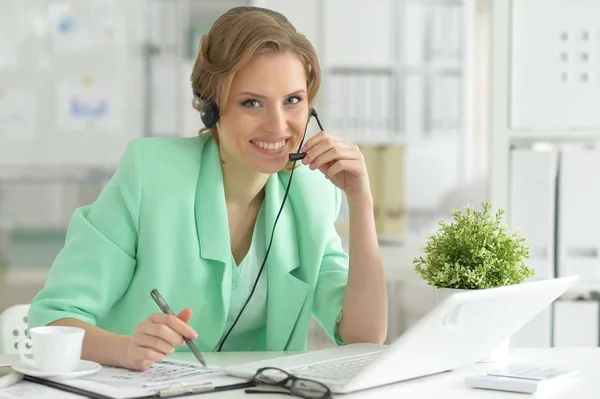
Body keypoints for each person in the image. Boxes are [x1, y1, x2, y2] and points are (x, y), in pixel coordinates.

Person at [28, 6, 387, 372]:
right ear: (211, 110)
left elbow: (363, 336)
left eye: (292, 100)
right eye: (252, 103)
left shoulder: (311, 195)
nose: (278, 125)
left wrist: (361, 200)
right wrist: (126, 349)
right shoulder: (150, 176)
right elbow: (52, 318)